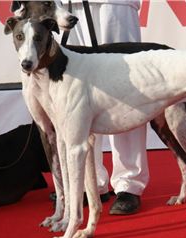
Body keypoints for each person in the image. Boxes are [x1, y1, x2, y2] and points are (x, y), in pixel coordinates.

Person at [60, 0, 149, 215]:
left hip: (116, 4)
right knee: (77, 90)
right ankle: (91, 183)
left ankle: (129, 183)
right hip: (68, 4)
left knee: (126, 86)